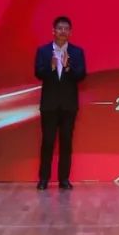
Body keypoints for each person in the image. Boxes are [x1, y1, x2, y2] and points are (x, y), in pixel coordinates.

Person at [34, 16, 87, 190]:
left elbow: (81, 75)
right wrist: (50, 67)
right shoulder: (43, 51)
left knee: (66, 143)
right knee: (47, 142)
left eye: (66, 29)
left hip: (68, 105)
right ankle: (44, 179)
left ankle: (64, 179)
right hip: (49, 105)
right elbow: (38, 73)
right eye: (59, 28)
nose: (62, 31)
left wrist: (67, 67)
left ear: (70, 32)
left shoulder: (77, 52)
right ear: (53, 31)